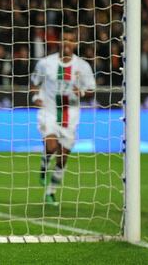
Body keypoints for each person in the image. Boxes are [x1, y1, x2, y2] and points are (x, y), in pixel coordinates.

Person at [30, 28, 95, 206]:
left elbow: (91, 90)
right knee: (51, 147)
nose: (67, 43)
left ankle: (51, 191)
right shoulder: (45, 63)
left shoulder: (83, 67)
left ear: (76, 43)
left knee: (63, 158)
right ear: (59, 41)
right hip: (49, 111)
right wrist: (36, 97)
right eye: (64, 39)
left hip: (71, 115)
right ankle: (44, 166)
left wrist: (81, 92)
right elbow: (34, 83)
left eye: (71, 40)